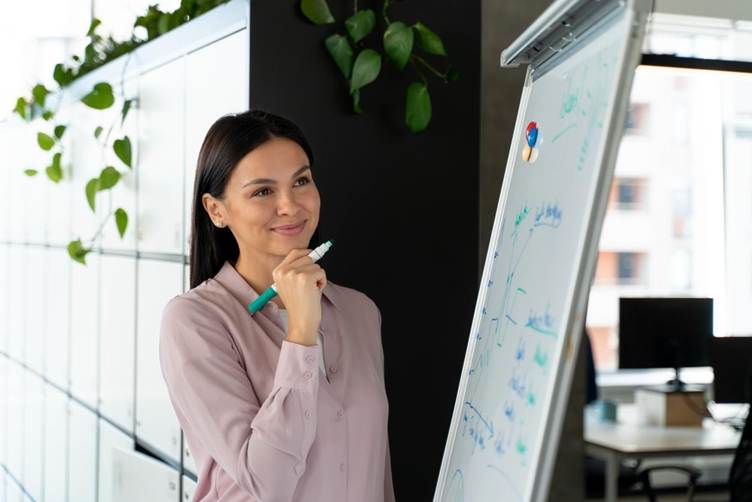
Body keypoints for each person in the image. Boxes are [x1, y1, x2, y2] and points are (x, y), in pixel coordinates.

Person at [159, 110, 395, 502]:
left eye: (301, 181)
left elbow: (377, 474)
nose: (290, 205)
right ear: (216, 210)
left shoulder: (361, 313)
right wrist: (300, 331)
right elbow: (267, 482)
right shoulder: (194, 322)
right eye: (263, 191)